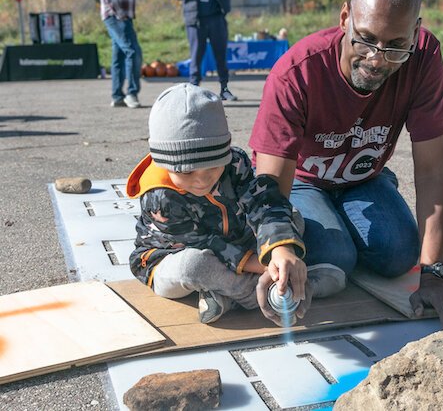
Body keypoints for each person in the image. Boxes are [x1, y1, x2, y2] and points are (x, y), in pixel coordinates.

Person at [249, 0, 443, 329]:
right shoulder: (296, 73)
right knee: (337, 257)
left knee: (401, 254)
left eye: (396, 45)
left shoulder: (424, 57)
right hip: (303, 179)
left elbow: (434, 168)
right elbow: (270, 181)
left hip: (362, 177)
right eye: (364, 39)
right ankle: (332, 224)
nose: (377, 59)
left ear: (415, 31)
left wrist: (435, 277)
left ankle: (346, 213)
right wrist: (279, 247)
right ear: (345, 17)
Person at [126, 84, 342, 325]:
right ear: (164, 163)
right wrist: (265, 266)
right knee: (195, 265)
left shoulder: (234, 163)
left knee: (291, 217)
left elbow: (264, 201)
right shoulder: (160, 197)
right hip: (171, 258)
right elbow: (209, 244)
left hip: (235, 240)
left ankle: (226, 298)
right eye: (186, 172)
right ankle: (279, 292)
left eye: (213, 166)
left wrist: (279, 250)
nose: (201, 179)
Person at [95, 0, 143, 108]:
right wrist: (120, 14)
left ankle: (117, 95)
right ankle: (131, 93)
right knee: (132, 51)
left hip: (115, 15)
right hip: (117, 16)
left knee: (119, 56)